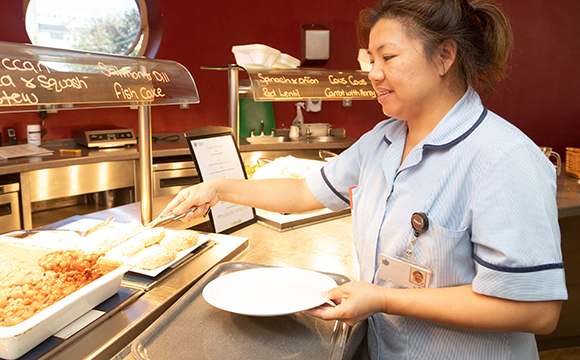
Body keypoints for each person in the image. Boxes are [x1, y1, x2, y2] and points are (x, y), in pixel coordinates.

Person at [162, 0, 567, 358]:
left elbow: (536, 310)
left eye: (388, 58)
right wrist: (219, 188)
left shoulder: (504, 157)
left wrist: (384, 300)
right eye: (370, 59)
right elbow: (304, 190)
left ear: (444, 56)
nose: (373, 73)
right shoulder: (384, 139)